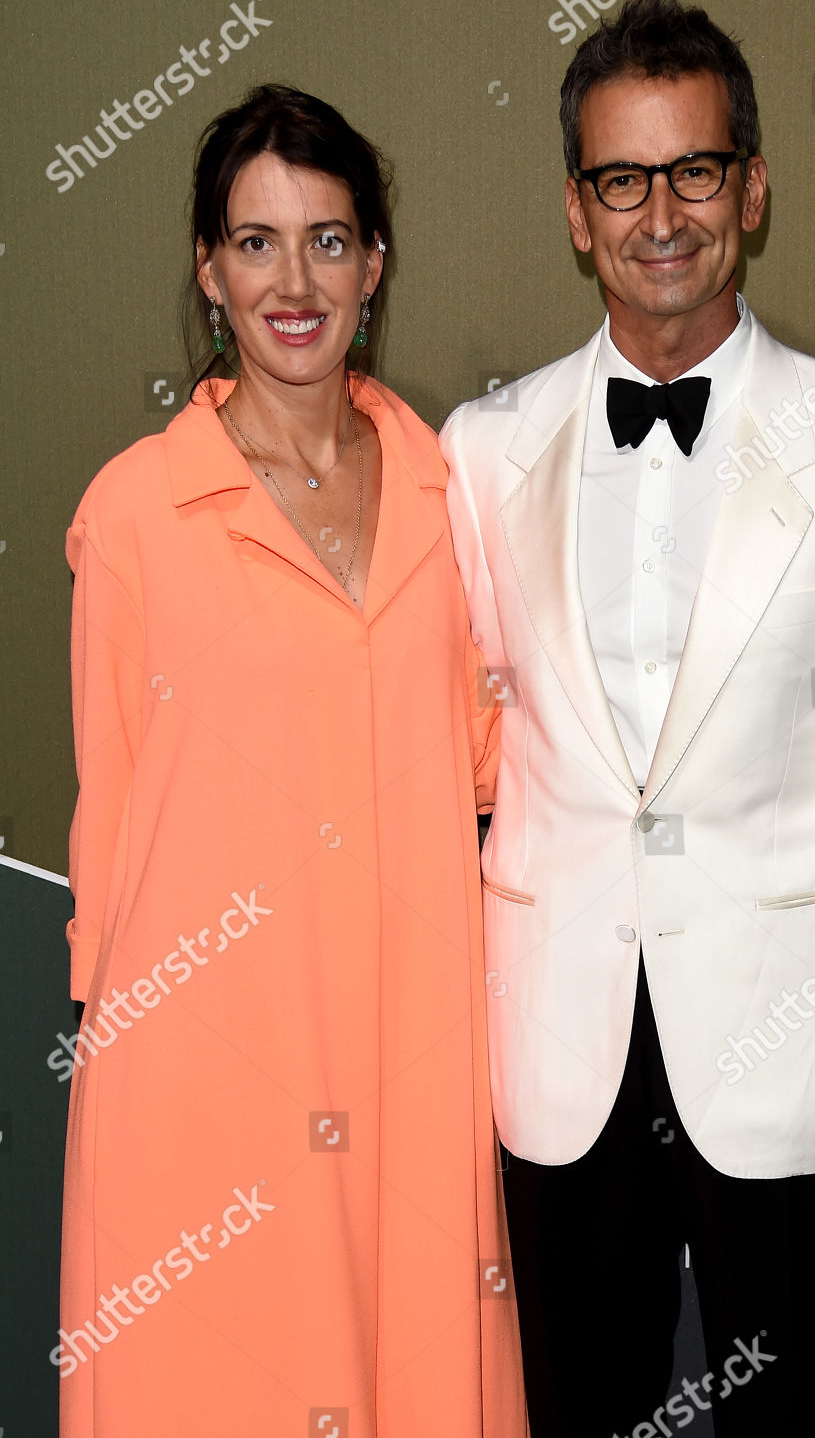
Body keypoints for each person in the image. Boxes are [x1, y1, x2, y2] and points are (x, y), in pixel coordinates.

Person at [440, 0, 815, 1438]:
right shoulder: (482, 455)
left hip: (790, 1060)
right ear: (573, 207)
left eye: (691, 170)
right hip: (555, 1058)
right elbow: (462, 756)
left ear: (749, 185)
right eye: (622, 177)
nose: (657, 213)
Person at [58, 83, 527, 1438]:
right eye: (255, 243)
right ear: (208, 272)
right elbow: (114, 802)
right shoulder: (135, 511)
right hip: (207, 1065)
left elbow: (490, 759)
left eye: (327, 239)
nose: (293, 280)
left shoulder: (451, 490)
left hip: (411, 1053)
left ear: (374, 266)